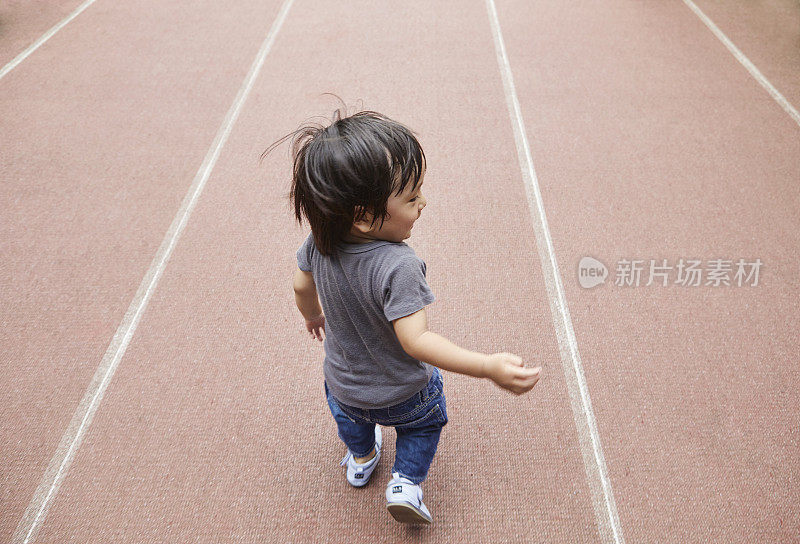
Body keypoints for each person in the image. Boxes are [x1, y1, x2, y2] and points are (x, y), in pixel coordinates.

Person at [273, 108, 541, 525]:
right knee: (423, 425)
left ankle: (361, 458)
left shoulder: (317, 243)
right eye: (412, 198)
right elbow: (415, 342)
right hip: (405, 395)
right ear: (363, 216)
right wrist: (487, 366)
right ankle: (406, 483)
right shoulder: (398, 265)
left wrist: (312, 316)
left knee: (353, 423)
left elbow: (300, 288)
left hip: (343, 388)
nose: (423, 203)